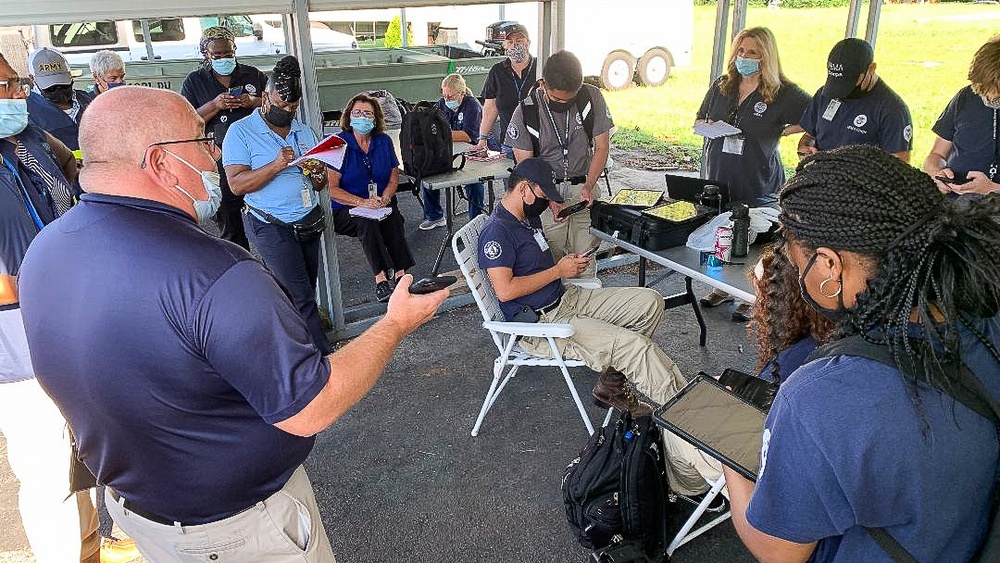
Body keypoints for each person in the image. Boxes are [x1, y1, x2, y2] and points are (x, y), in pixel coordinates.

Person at [17, 84, 450, 562]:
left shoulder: (45, 250)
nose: (215, 153)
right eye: (201, 140)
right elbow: (312, 406)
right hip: (235, 530)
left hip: (140, 512)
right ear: (160, 162)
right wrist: (393, 324)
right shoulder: (215, 274)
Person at [725, 145, 1000, 562]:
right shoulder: (987, 319)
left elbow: (779, 551)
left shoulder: (819, 398)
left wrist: (728, 455)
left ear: (831, 266)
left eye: (801, 263)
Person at [0, 52, 100, 563]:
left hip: (66, 316)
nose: (16, 95)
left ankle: (90, 546)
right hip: (16, 342)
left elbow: (68, 161)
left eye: (16, 83)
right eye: (4, 86)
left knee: (83, 445)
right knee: (46, 466)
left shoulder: (28, 139)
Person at [695, 27, 810, 322]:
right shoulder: (723, 85)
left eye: (753, 53)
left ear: (766, 57)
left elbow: (814, 116)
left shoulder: (782, 92)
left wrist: (784, 131)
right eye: (741, 51)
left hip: (757, 176)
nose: (744, 57)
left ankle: (752, 295)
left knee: (755, 238)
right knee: (721, 231)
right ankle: (721, 287)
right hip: (719, 173)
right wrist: (707, 124)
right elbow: (699, 116)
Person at [223, 56, 332, 355]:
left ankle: (289, 347)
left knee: (302, 291)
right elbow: (237, 185)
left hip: (307, 219)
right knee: (301, 297)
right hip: (270, 222)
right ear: (266, 97)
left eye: (293, 107)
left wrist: (317, 171)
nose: (288, 112)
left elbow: (320, 184)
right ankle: (322, 359)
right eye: (282, 105)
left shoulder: (304, 131)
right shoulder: (241, 132)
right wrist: (275, 165)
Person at [507, 50, 613, 279]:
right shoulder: (527, 110)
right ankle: (559, 310)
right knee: (550, 262)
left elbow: (602, 147)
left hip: (583, 189)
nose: (564, 105)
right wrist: (550, 199)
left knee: (584, 260)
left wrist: (589, 184)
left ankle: (588, 307)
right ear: (543, 85)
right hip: (544, 194)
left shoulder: (591, 97)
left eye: (570, 100)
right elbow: (526, 165)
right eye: (557, 100)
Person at [182, 26, 268, 250]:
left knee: (267, 224)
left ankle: (271, 273)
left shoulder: (254, 75)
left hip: (257, 157)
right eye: (217, 56)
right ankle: (241, 272)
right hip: (219, 161)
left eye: (228, 54)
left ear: (235, 50)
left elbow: (277, 105)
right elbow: (188, 119)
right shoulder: (195, 81)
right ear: (205, 55)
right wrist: (215, 105)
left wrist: (254, 101)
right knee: (231, 227)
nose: (224, 59)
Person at [330, 92, 416, 303]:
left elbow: (394, 176)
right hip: (347, 207)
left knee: (393, 218)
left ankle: (401, 274)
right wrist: (362, 203)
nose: (362, 117)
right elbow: (332, 189)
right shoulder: (338, 144)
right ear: (349, 116)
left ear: (375, 118)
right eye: (357, 112)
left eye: (367, 113)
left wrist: (386, 197)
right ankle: (380, 278)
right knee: (366, 223)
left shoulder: (383, 141)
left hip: (380, 202)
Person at [798, 38, 913, 162]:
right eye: (837, 82)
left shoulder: (892, 110)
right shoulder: (825, 94)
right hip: (819, 177)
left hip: (861, 180)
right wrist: (805, 148)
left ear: (871, 69)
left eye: (849, 82)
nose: (841, 92)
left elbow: (899, 166)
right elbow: (809, 135)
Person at [924, 34, 1000, 197]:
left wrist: (991, 189)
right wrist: (937, 174)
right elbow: (936, 155)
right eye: (983, 90)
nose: (989, 99)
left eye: (996, 95)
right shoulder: (965, 97)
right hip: (954, 202)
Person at [748, 244, 835, 384]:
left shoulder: (785, 364)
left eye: (761, 298)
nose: (757, 304)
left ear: (778, 306)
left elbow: (759, 404)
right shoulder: (829, 334)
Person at [420, 73, 485, 230]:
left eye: (450, 96)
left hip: (472, 153)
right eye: (444, 96)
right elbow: (431, 123)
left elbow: (468, 135)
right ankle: (434, 216)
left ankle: (475, 222)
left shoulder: (472, 106)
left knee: (473, 184)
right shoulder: (443, 103)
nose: (446, 99)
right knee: (426, 172)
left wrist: (441, 133)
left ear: (461, 93)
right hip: (449, 151)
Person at [473, 22, 536, 158]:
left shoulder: (541, 67)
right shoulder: (497, 71)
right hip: (510, 144)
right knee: (512, 179)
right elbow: (490, 108)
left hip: (539, 143)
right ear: (504, 45)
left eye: (519, 41)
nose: (514, 45)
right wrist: (482, 139)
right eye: (510, 42)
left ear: (528, 43)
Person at [26, 47, 95, 152]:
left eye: (64, 85)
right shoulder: (26, 111)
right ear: (32, 79)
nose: (59, 90)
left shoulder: (88, 100)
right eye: (51, 88)